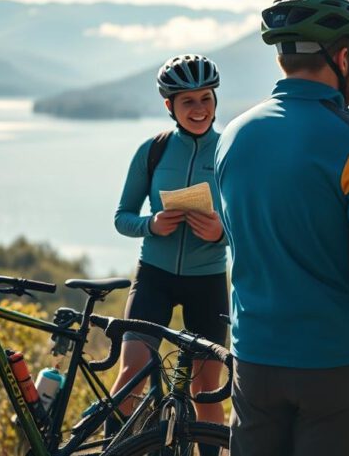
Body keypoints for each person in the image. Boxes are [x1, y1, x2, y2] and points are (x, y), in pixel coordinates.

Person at [215, 0, 349, 456]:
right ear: (341, 57)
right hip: (336, 361)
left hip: (254, 357)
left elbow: (235, 238)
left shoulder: (233, 137)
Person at [111, 54, 228, 433]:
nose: (199, 109)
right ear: (170, 106)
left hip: (207, 280)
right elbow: (122, 217)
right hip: (155, 276)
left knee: (206, 390)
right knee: (132, 374)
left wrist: (223, 232)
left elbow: (253, 224)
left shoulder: (230, 151)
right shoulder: (153, 150)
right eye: (188, 101)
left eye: (205, 99)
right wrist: (152, 224)